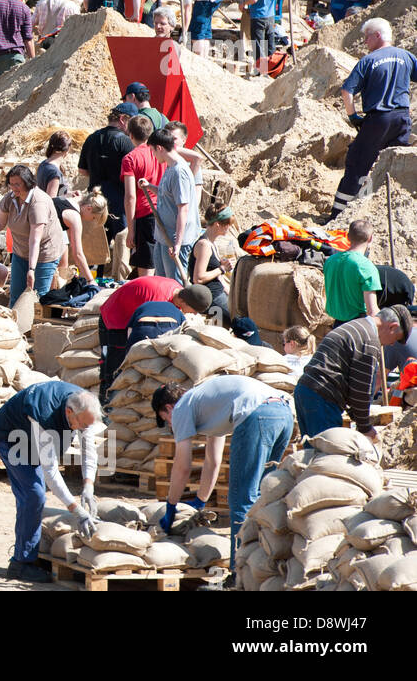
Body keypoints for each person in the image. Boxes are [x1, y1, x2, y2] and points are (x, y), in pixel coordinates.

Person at [153, 375, 294, 563]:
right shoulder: (208, 404)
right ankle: (264, 562)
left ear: (169, 408)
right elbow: (213, 461)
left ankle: (239, 571)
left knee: (241, 499)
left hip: (256, 414)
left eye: (167, 421)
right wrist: (200, 502)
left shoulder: (181, 408)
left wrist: (171, 506)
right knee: (264, 497)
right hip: (283, 413)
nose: (172, 426)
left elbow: (182, 466)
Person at [0, 381, 102, 584]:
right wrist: (77, 510)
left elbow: (89, 449)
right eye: (82, 425)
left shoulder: (82, 406)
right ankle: (21, 564)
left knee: (33, 497)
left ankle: (31, 552)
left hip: (34, 437)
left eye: (88, 425)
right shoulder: (43, 413)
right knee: (34, 494)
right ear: (69, 412)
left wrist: (88, 486)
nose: (84, 429)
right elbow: (50, 471)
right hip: (12, 437)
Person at [331, 18, 417, 215]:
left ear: (377, 35)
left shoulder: (369, 60)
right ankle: (381, 210)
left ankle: (339, 214)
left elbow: (347, 92)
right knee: (390, 164)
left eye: (366, 37)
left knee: (359, 163)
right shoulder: (406, 56)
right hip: (402, 119)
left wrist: (353, 117)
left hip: (379, 119)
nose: (364, 42)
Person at [294, 307, 412, 440]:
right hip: (322, 398)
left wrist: (355, 416)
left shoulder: (357, 326)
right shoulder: (369, 341)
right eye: (395, 339)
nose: (391, 344)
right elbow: (360, 390)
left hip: (307, 391)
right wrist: (365, 428)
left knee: (313, 453)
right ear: (392, 327)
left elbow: (352, 385)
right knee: (328, 454)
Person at [98, 278, 212, 400]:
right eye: (194, 310)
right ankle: (107, 398)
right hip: (117, 317)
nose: (194, 314)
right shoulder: (158, 301)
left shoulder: (177, 291)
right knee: (116, 362)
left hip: (133, 317)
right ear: (184, 302)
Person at [0, 165, 64, 305]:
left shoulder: (38, 202)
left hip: (43, 253)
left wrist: (31, 269)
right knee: (16, 296)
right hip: (20, 251)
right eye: (11, 184)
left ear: (27, 182)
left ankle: (35, 325)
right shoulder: (10, 199)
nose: (13, 188)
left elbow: (35, 239)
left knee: (37, 297)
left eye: (17, 184)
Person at [140, 128, 199, 284]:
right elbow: (168, 194)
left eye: (153, 151)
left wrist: (178, 244)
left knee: (174, 284)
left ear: (159, 148)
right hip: (163, 234)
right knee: (161, 281)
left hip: (173, 238)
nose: (153, 155)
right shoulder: (170, 167)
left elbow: (183, 209)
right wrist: (149, 186)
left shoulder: (180, 172)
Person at [78, 102, 137, 245]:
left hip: (95, 200)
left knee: (95, 245)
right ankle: (117, 268)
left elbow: (82, 170)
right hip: (119, 201)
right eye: (132, 121)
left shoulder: (91, 138)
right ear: (123, 119)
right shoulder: (126, 142)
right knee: (122, 243)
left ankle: (93, 268)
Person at [120, 114, 163, 277]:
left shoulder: (130, 158)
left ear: (130, 134)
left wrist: (130, 230)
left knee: (147, 268)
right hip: (163, 210)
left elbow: (130, 196)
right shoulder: (159, 152)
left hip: (145, 214)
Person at [324, 220, 383, 324]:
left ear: (347, 237)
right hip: (358, 326)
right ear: (370, 238)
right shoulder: (366, 267)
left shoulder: (330, 261)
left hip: (336, 325)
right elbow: (372, 311)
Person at [189, 202, 236, 324]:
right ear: (217, 224)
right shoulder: (204, 245)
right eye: (228, 224)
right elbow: (198, 278)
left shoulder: (211, 243)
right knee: (239, 323)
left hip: (217, 293)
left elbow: (217, 277)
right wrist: (221, 268)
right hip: (211, 298)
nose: (229, 227)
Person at [37, 131, 71, 197]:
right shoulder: (54, 173)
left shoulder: (43, 164)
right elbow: (51, 201)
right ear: (67, 150)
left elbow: (59, 194)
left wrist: (70, 194)